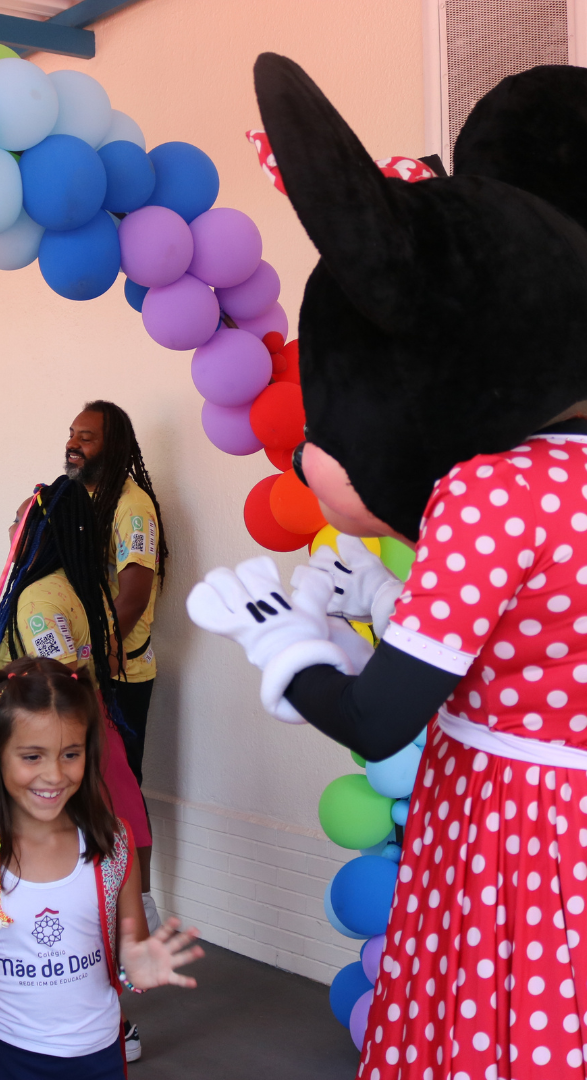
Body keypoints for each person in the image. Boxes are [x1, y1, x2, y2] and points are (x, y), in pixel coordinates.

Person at [187, 56, 587, 1080]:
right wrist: (376, 596)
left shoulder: (491, 492)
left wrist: (281, 639)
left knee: (490, 1027)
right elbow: (530, 643)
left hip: (510, 832)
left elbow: (379, 720)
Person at [0, 477, 153, 1062]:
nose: (11, 530)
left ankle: (111, 1022)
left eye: (20, 521)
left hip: (81, 748)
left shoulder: (36, 598)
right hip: (96, 748)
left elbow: (49, 704)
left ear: (37, 535)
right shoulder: (88, 589)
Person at [0, 657, 202, 1080]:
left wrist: (136, 968)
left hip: (101, 1056)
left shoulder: (114, 844)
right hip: (5, 1058)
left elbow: (128, 954)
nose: (54, 774)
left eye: (70, 754)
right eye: (32, 756)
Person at [64, 402, 167, 790]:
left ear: (113, 447)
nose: (72, 444)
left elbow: (134, 597)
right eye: (71, 434)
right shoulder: (77, 495)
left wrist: (99, 658)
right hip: (81, 664)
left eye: (86, 438)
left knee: (118, 789)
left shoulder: (132, 507)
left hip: (118, 671)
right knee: (81, 785)